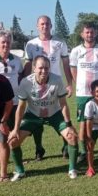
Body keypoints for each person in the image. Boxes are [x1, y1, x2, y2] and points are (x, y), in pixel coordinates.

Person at [8, 56, 79, 181]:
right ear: (34, 68)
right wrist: (15, 129)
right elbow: (21, 107)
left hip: (54, 114)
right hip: (33, 115)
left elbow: (63, 104)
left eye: (46, 68)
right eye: (40, 68)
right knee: (13, 141)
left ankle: (72, 169)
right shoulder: (26, 82)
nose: (44, 71)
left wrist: (69, 125)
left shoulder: (56, 80)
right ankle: (20, 171)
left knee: (72, 136)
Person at [24, 15, 73, 160]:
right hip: (36, 88)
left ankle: (65, 146)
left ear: (51, 25)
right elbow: (28, 66)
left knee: (61, 116)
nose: (45, 26)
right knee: (37, 118)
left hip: (55, 87)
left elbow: (65, 64)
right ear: (37, 26)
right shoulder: (31, 44)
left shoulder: (60, 43)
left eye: (47, 24)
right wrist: (23, 84)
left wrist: (69, 83)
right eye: (42, 24)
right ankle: (39, 149)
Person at [70, 22, 98, 163]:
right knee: (83, 123)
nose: (89, 35)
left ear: (96, 33)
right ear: (82, 34)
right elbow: (73, 71)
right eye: (86, 32)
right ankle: (83, 151)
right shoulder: (76, 51)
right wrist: (81, 84)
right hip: (82, 93)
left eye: (92, 32)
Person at [0, 30, 23, 168]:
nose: (5, 45)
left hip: (14, 101)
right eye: (3, 42)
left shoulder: (17, 60)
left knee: (15, 130)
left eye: (8, 42)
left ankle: (15, 156)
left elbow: (20, 76)